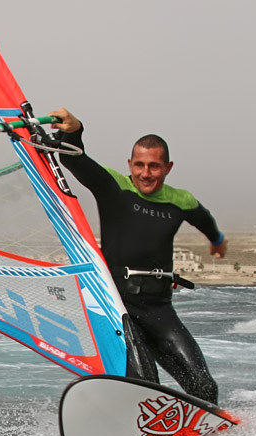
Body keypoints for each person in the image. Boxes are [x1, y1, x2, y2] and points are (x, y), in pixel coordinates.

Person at [49, 108, 227, 404]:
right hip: (119, 304)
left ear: (168, 167)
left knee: (204, 387)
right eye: (140, 165)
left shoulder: (180, 200)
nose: (146, 174)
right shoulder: (115, 187)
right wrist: (75, 128)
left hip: (159, 307)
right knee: (146, 386)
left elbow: (204, 218)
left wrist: (217, 240)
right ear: (130, 164)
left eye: (154, 166)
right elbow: (74, 158)